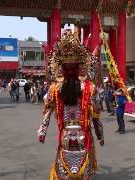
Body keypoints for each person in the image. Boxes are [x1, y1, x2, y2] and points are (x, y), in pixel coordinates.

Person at [37, 30, 104, 179]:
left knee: (83, 171)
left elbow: (95, 115)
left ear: (80, 66)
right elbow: (48, 110)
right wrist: (42, 130)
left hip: (84, 134)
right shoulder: (55, 88)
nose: (70, 71)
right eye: (67, 68)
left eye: (73, 67)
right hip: (65, 134)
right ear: (60, 67)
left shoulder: (89, 88)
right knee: (64, 171)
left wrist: (100, 134)